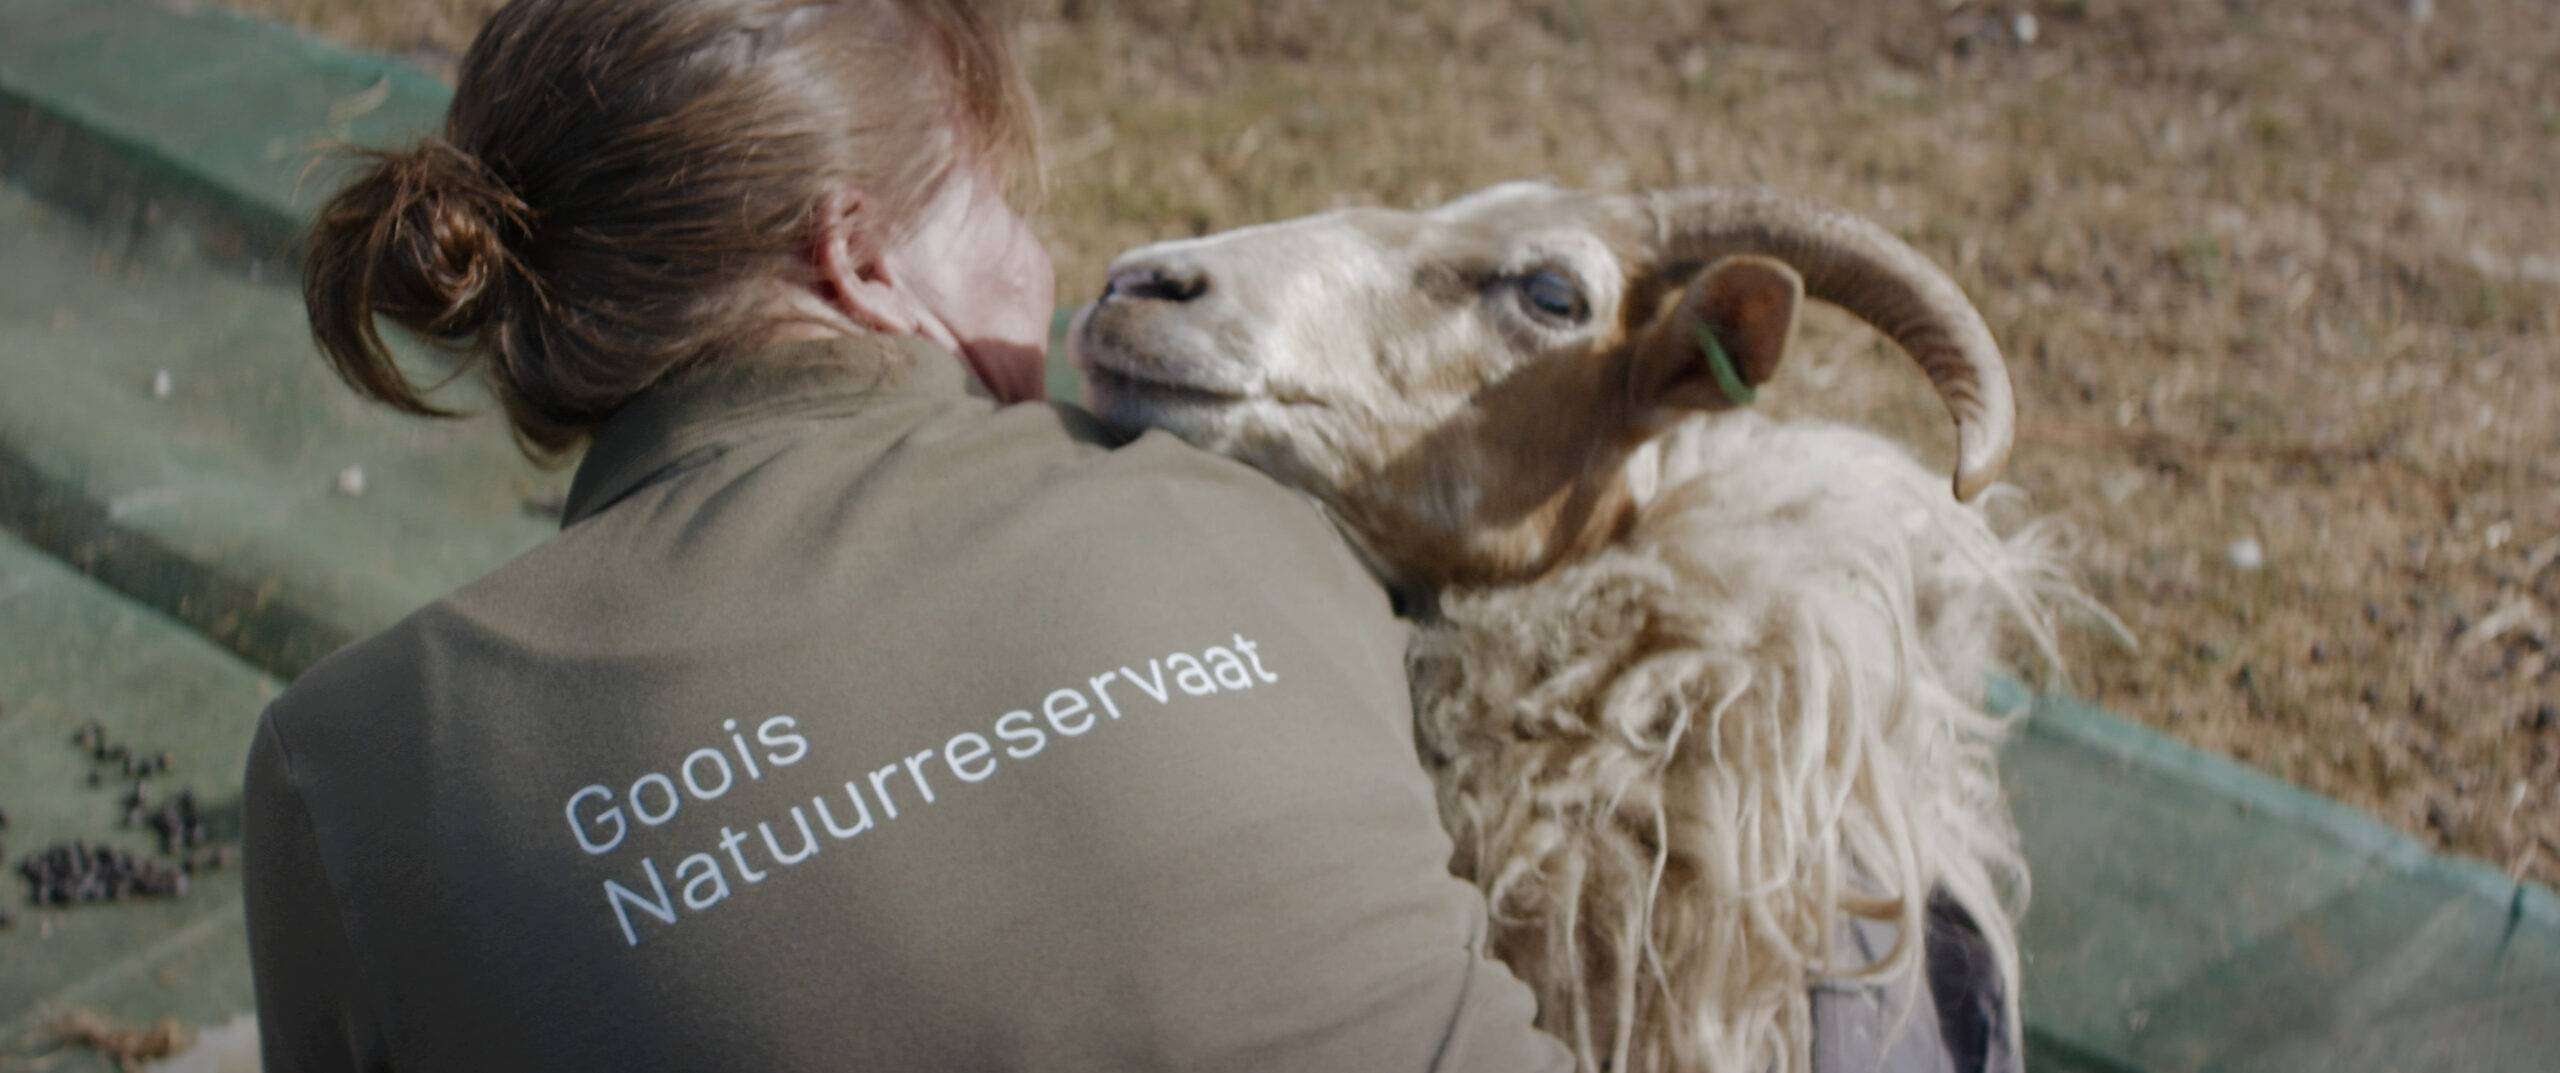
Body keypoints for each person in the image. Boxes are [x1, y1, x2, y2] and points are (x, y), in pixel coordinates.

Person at [244, 1, 1574, 1070]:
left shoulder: (351, 769)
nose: (1050, 270)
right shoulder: (1247, 510)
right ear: (860, 258)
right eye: (1004, 207)